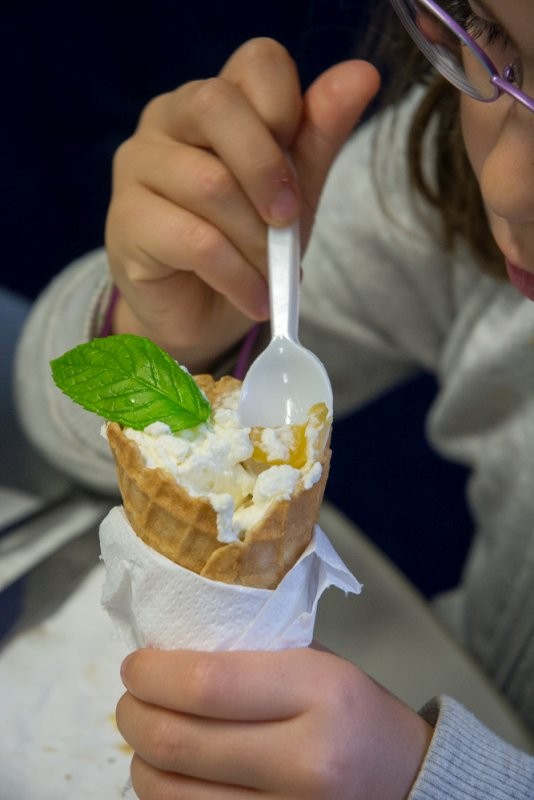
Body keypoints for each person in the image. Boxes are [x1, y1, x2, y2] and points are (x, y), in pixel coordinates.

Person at [14, 0, 534, 797]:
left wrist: (447, 783)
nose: (507, 184)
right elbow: (47, 403)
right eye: (490, 36)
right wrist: (174, 327)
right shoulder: (437, 180)